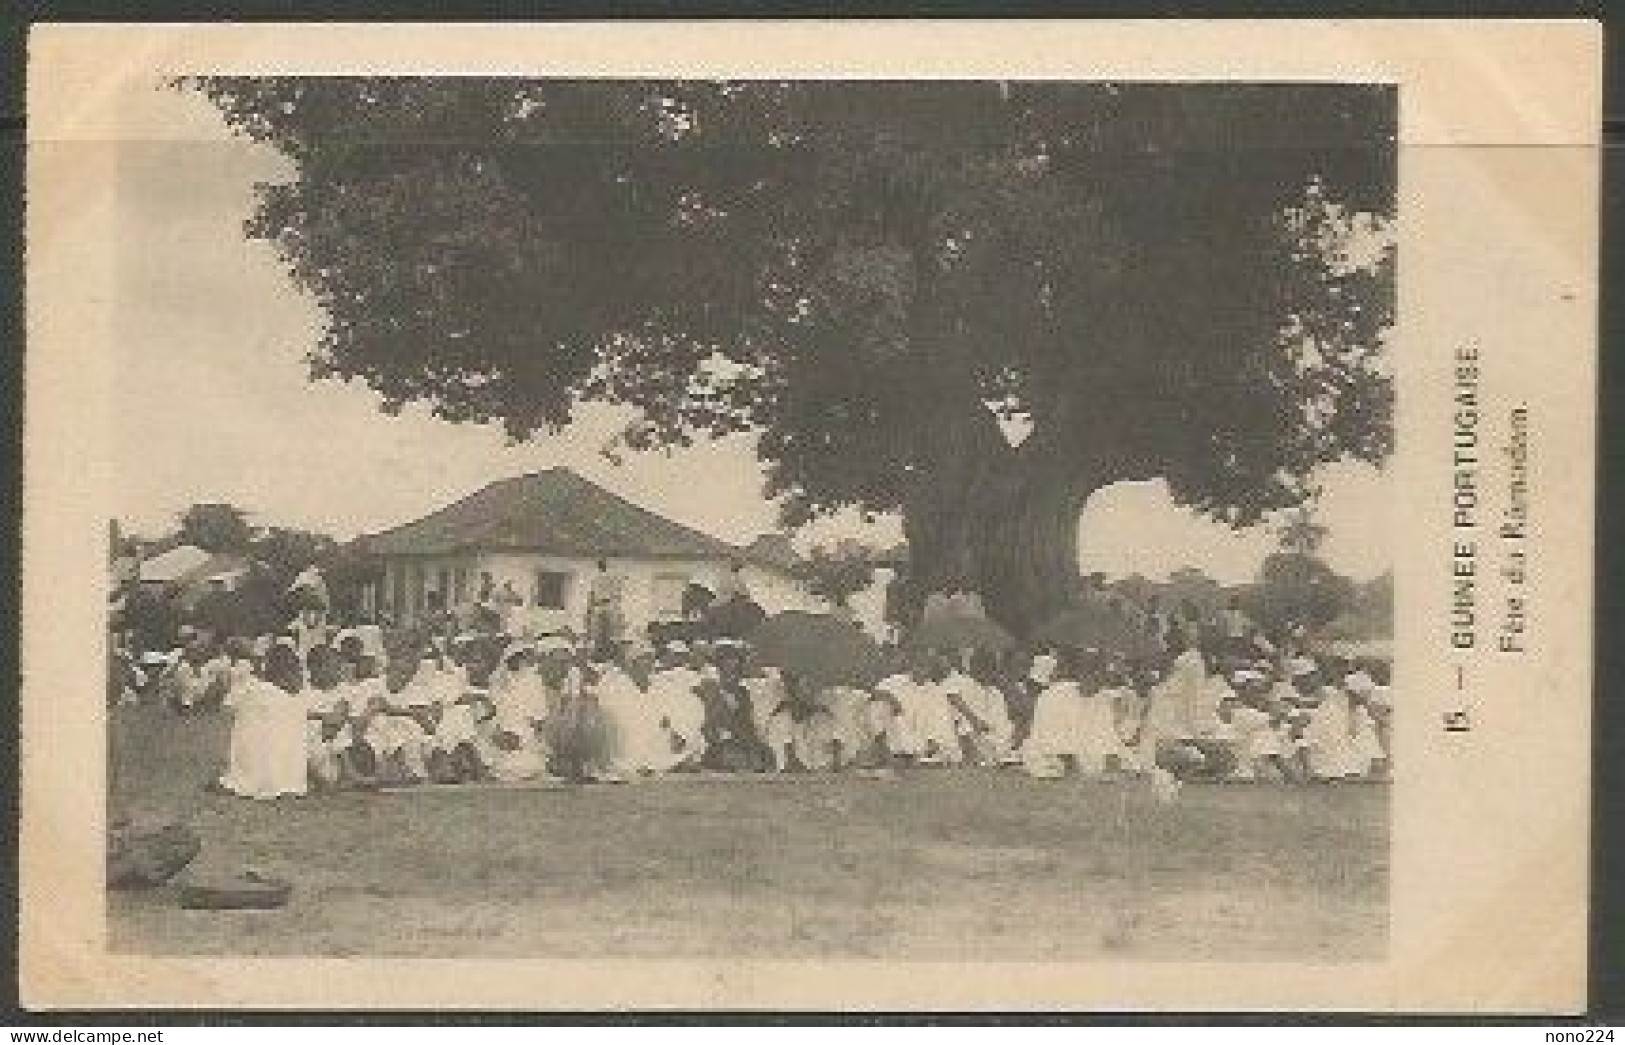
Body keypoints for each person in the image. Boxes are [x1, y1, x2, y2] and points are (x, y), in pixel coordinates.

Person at [218, 641, 309, 800]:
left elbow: (227, 711)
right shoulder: (297, 698)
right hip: (290, 779)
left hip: (253, 772)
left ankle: (251, 776)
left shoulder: (252, 688)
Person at [875, 650, 961, 765]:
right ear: (911, 666)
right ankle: (887, 753)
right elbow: (875, 692)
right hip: (898, 730)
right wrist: (891, 699)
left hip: (923, 735)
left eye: (926, 667)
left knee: (943, 713)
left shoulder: (935, 690)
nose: (921, 671)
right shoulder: (895, 681)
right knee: (879, 707)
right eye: (918, 665)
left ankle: (925, 755)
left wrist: (933, 740)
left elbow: (940, 718)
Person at [942, 649, 1014, 766]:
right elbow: (952, 697)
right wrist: (974, 719)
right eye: (982, 666)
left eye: (991, 667)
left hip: (994, 738)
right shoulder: (962, 683)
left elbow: (1002, 722)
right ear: (973, 667)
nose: (987, 671)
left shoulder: (996, 693)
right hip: (969, 735)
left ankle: (997, 754)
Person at [303, 644, 353, 789]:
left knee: (342, 731)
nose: (338, 672)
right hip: (306, 744)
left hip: (328, 746)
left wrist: (316, 718)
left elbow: (338, 718)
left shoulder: (342, 689)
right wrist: (323, 717)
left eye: (338, 667)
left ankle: (346, 774)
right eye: (334, 667)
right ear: (315, 668)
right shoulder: (302, 690)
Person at [584, 560, 627, 660]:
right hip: (605, 605)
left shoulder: (602, 578)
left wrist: (589, 610)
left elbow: (593, 595)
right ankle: (602, 651)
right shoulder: (611, 577)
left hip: (605, 605)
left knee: (608, 630)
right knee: (602, 630)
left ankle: (610, 651)